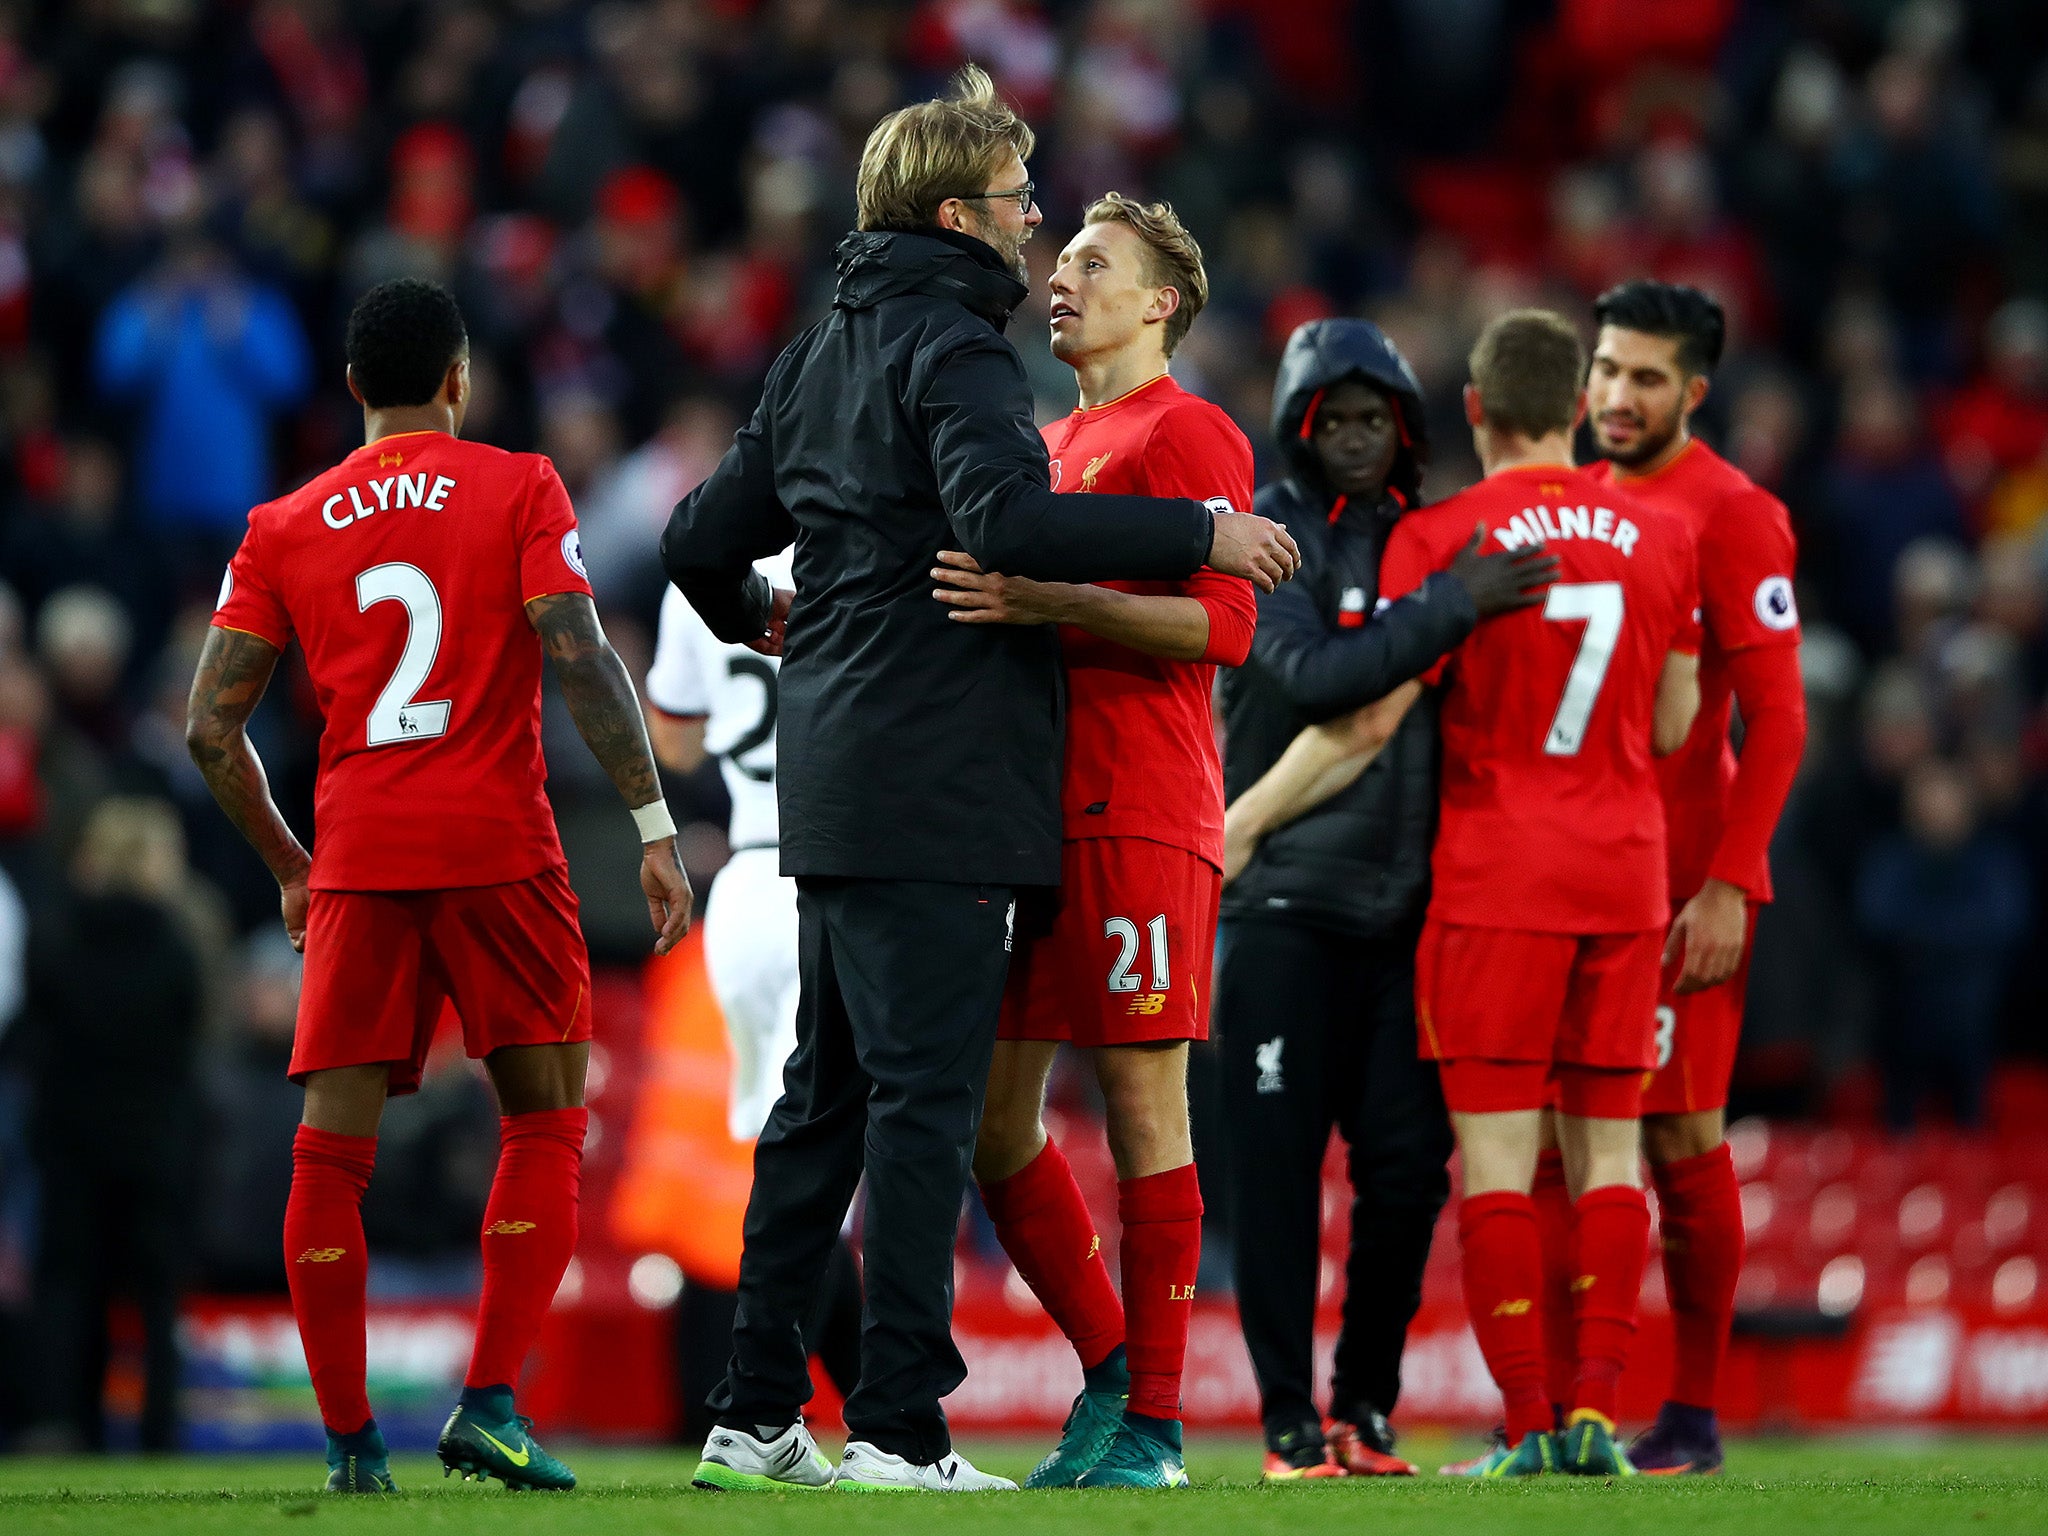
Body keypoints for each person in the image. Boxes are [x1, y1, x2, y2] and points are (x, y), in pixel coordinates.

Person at [662, 67, 1298, 1495]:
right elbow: (1010, 521)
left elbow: (701, 540)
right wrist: (1198, 530)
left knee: (821, 1103)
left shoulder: (818, 346)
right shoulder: (955, 349)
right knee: (925, 1109)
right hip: (943, 783)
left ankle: (758, 1412)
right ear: (958, 211)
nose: (1033, 235)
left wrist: (777, 628)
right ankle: (899, 1426)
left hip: (827, 782)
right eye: (1022, 207)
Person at [188, 277, 692, 1494]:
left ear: (354, 387)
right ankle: (489, 1402)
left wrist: (290, 865)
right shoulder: (519, 484)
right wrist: (652, 822)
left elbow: (210, 729)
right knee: (543, 1120)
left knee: (330, 1158)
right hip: (498, 849)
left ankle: (353, 1444)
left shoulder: (282, 523)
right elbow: (576, 654)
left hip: (360, 858)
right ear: (458, 380)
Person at [1263, 311, 1700, 1477]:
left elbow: (1363, 721)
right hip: (1625, 874)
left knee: (1497, 1170)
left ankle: (1529, 1427)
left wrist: (1243, 820)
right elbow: (1670, 723)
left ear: (1468, 409)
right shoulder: (1665, 534)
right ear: (1576, 404)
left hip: (1495, 878)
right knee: (1610, 1161)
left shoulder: (1447, 536)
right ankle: (1600, 1411)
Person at [929, 193, 1253, 1491]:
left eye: (1094, 264)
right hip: (1024, 818)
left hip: (1139, 805)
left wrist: (1045, 597)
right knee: (993, 1129)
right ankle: (1116, 1368)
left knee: (1139, 1106)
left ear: (1160, 299)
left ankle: (1160, 1434)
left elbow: (1222, 630)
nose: (1061, 279)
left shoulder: (1191, 431)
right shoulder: (1043, 441)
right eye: (1058, 261)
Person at [1213, 319, 1556, 1480]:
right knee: (1272, 1176)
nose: (1357, 440)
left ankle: (1360, 1409)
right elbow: (1315, 680)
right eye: (1337, 420)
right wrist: (1452, 605)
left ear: (1405, 429)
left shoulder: (1432, 544)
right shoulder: (1264, 541)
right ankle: (1281, 1423)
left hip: (1408, 917)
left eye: (1375, 420)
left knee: (1405, 1172)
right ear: (1301, 429)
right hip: (1276, 911)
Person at [1568, 280, 1809, 1475]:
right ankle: (1560, 1418)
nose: (1615, 395)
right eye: (1606, 368)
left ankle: (1696, 1417)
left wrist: (1727, 882)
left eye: (1645, 377)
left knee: (1676, 1137)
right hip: (1573, 877)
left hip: (1678, 885)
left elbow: (1777, 718)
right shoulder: (1581, 503)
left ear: (1693, 392)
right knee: (1561, 1141)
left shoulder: (1734, 512)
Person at [644, 546, 863, 1405]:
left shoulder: (700, 570)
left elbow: (675, 734)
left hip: (742, 885)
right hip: (834, 879)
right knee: (818, 1180)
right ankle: (795, 1402)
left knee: (780, 1170)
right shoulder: (869, 547)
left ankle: (846, 1398)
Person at [22, 799, 200, 1452]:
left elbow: (34, 1040)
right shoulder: (175, 949)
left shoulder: (58, 940)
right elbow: (188, 1048)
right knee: (157, 1298)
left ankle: (66, 1422)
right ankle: (159, 1430)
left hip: (71, 1145)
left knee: (70, 1289)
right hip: (155, 1148)